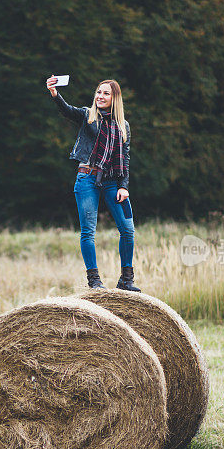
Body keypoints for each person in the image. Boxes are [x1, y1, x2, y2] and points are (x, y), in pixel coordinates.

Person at [46, 75, 140, 291]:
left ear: (114, 98)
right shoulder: (88, 116)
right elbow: (67, 110)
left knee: (127, 229)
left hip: (111, 182)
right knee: (88, 231)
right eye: (98, 92)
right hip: (87, 178)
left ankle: (126, 279)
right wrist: (54, 94)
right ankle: (94, 282)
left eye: (106, 93)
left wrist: (124, 186)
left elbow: (124, 159)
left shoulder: (123, 126)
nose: (100, 96)